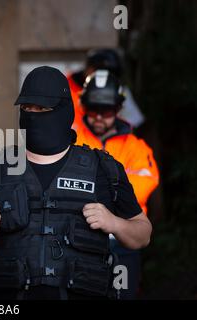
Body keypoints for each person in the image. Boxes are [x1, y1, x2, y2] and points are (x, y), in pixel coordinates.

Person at [0, 66, 152, 300]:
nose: (33, 115)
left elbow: (143, 234)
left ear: (63, 110)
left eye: (42, 108)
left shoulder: (103, 168)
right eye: (27, 108)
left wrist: (115, 224)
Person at [74, 70, 160, 299]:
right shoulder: (68, 139)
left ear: (119, 109)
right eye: (93, 109)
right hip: (76, 243)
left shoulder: (136, 148)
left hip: (122, 242)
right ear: (83, 105)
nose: (99, 117)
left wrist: (91, 191)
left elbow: (143, 186)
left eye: (107, 110)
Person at [67, 48, 144, 127]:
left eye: (110, 73)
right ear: (89, 68)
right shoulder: (64, 87)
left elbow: (133, 122)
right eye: (99, 71)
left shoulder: (119, 90)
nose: (104, 77)